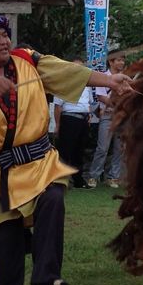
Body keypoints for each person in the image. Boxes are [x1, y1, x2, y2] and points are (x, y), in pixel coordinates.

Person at [0, 0, 131, 285]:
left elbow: (65, 72)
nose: (3, 41)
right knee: (4, 245)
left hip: (39, 163)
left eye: (4, 34)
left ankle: (46, 273)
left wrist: (109, 80)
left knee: (54, 197)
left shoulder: (27, 59)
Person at [87, 52, 126, 188]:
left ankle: (113, 177)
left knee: (119, 148)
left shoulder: (125, 79)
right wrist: (117, 104)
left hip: (122, 116)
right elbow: (101, 97)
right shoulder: (103, 77)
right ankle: (93, 176)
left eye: (123, 60)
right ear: (111, 62)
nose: (121, 63)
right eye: (119, 60)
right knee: (102, 147)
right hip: (108, 116)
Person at [53, 58, 93, 189]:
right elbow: (58, 106)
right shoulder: (64, 83)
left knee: (79, 151)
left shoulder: (87, 84)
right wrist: (57, 125)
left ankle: (78, 180)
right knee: (65, 150)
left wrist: (89, 115)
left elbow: (89, 103)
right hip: (69, 118)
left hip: (83, 119)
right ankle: (60, 179)